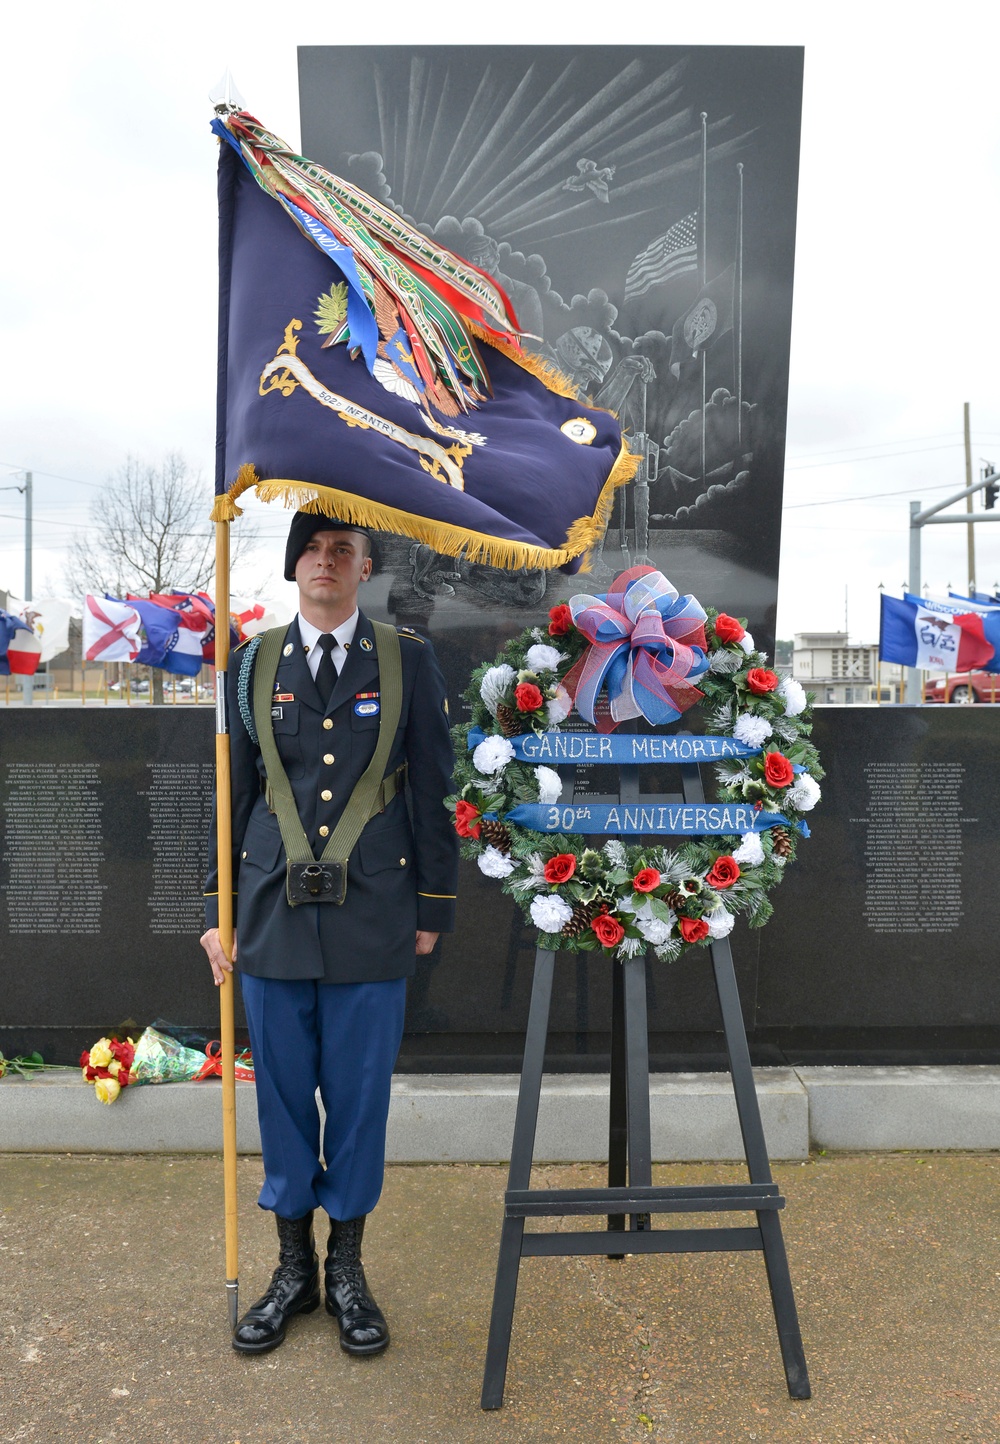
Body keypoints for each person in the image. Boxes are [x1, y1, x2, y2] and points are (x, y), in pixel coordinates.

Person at [200, 512, 458, 1357]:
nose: (325, 562)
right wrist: (218, 910)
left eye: (341, 551)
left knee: (356, 1098)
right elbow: (231, 793)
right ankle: (291, 1272)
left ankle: (346, 1269)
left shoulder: (407, 660)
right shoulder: (250, 664)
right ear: (292, 568)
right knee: (278, 1094)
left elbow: (431, 789)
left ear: (365, 567)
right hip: (271, 908)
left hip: (374, 909)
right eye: (311, 550)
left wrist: (432, 905)